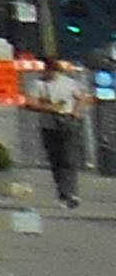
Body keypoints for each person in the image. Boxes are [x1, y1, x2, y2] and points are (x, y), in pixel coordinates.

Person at [39, 62, 92, 212]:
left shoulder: (69, 83)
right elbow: (30, 102)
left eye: (49, 69)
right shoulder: (39, 84)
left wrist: (76, 112)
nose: (46, 72)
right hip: (49, 125)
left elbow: (81, 98)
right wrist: (49, 107)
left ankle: (72, 193)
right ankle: (63, 193)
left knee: (69, 159)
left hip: (67, 122)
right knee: (56, 160)